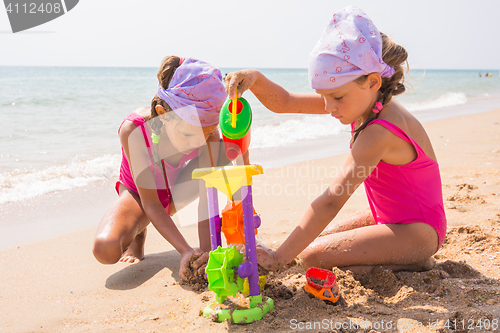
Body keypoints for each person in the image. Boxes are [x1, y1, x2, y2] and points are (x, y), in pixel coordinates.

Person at [224, 6, 447, 274]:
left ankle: (409, 262)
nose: (328, 107)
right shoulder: (360, 102)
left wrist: (277, 258)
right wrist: (254, 78)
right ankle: (394, 259)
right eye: (323, 96)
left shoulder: (379, 132)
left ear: (373, 81)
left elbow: (331, 201)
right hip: (392, 218)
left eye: (336, 97)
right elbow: (286, 102)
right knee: (314, 244)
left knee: (312, 258)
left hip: (418, 234)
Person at [93, 56, 230, 281]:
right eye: (188, 133)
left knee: (222, 151)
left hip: (175, 191)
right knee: (105, 249)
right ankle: (139, 231)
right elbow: (151, 203)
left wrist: (207, 254)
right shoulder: (134, 130)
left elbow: (208, 201)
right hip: (141, 195)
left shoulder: (209, 137)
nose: (198, 141)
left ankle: (141, 225)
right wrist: (185, 250)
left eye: (206, 133)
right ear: (163, 113)